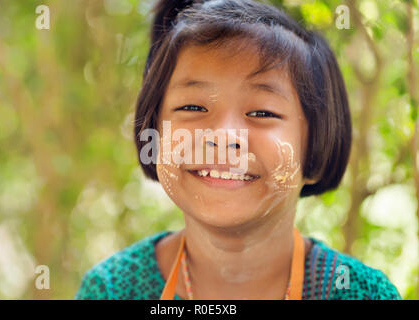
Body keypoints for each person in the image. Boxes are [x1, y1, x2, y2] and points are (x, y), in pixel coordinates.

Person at [75, 0, 401, 300]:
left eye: (262, 113)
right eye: (192, 106)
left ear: (315, 147)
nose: (223, 136)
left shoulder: (361, 293)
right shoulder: (111, 289)